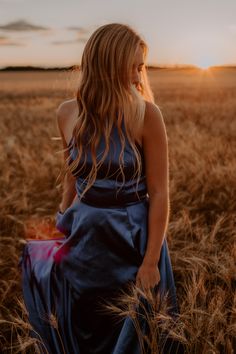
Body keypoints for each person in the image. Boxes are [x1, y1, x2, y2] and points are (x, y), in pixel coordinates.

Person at [20, 23, 184, 354]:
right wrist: (59, 226)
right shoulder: (67, 113)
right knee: (83, 324)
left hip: (131, 239)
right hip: (84, 240)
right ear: (109, 62)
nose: (140, 77)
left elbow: (160, 192)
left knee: (135, 331)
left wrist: (151, 261)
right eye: (134, 66)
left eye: (142, 67)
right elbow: (72, 180)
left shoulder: (146, 114)